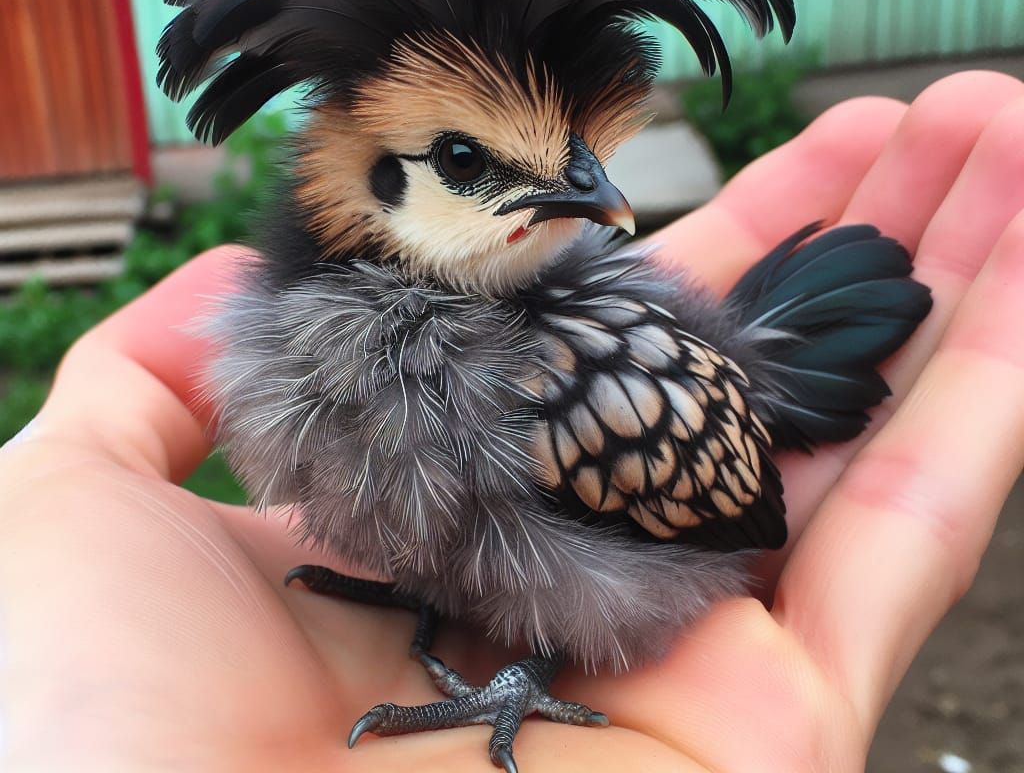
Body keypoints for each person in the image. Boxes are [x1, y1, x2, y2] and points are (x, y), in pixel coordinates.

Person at [2, 71, 1022, 772]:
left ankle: (525, 665)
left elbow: (717, 519)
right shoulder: (286, 347)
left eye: (574, 153)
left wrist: (519, 673)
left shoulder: (556, 376)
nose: (587, 185)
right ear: (382, 177)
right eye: (465, 156)